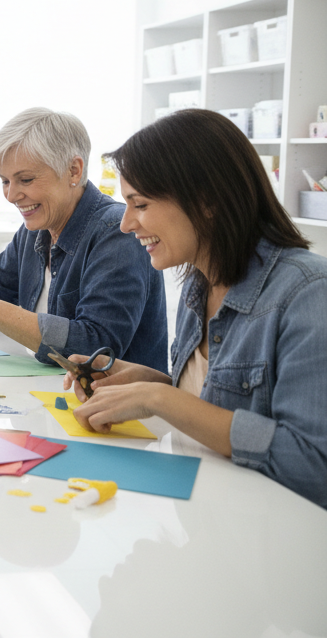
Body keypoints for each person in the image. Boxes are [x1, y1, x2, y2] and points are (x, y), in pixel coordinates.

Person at [69, 109, 327, 508]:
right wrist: (151, 385)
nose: (126, 224)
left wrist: (162, 401)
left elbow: (312, 466)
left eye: (139, 204)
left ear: (206, 201)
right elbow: (215, 404)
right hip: (206, 513)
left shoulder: (308, 294)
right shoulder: (197, 283)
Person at [0, 107, 167, 369]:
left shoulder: (117, 232)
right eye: (5, 181)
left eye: (25, 180)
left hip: (114, 403)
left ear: (73, 170)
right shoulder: (35, 230)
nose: (11, 195)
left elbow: (96, 347)